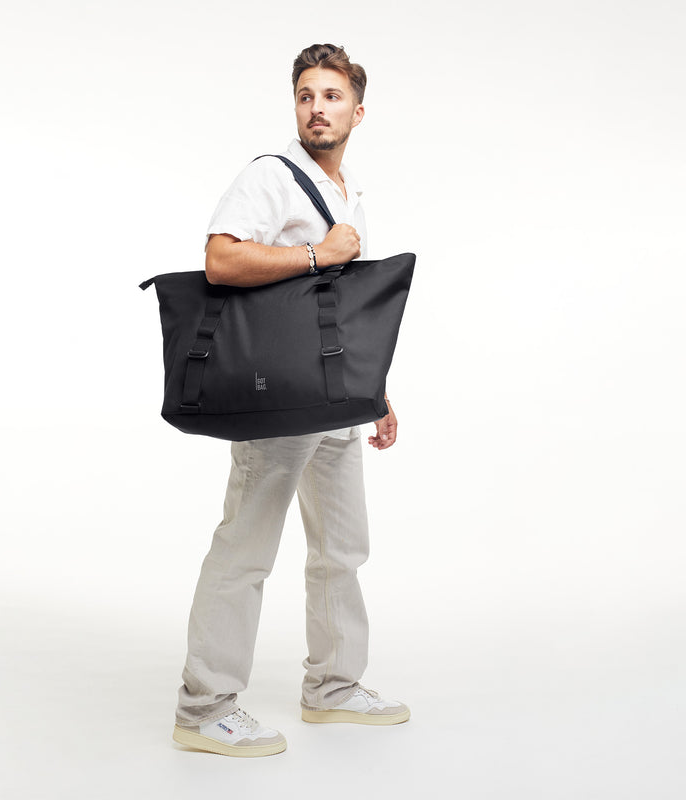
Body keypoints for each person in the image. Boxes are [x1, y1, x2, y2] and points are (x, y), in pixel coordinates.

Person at [172, 43, 409, 758]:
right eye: (306, 95)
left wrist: (375, 391)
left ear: (358, 112)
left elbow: (340, 309)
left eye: (332, 96)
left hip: (333, 400)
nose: (317, 108)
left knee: (342, 548)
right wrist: (315, 254)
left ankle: (332, 688)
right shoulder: (271, 177)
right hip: (276, 401)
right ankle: (204, 707)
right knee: (245, 550)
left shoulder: (349, 190)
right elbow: (220, 258)